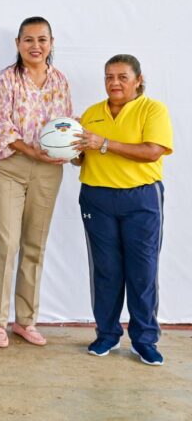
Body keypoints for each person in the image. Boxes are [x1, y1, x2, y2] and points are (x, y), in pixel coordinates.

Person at [73, 54, 172, 366]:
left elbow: (152, 151)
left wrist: (103, 143)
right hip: (97, 198)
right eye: (108, 77)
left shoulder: (152, 109)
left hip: (140, 199)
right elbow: (81, 158)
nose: (114, 83)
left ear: (138, 80)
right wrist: (70, 145)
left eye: (122, 77)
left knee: (142, 271)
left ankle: (144, 341)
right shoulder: (91, 114)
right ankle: (107, 334)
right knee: (105, 270)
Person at [0, 16, 73, 348]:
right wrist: (32, 152)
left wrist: (64, 150)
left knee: (35, 246)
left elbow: (63, 124)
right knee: (6, 244)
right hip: (11, 165)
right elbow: (0, 126)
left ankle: (26, 321)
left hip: (50, 169)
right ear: (18, 44)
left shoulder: (60, 80)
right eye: (28, 40)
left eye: (42, 40)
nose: (35, 46)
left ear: (51, 43)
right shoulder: (6, 79)